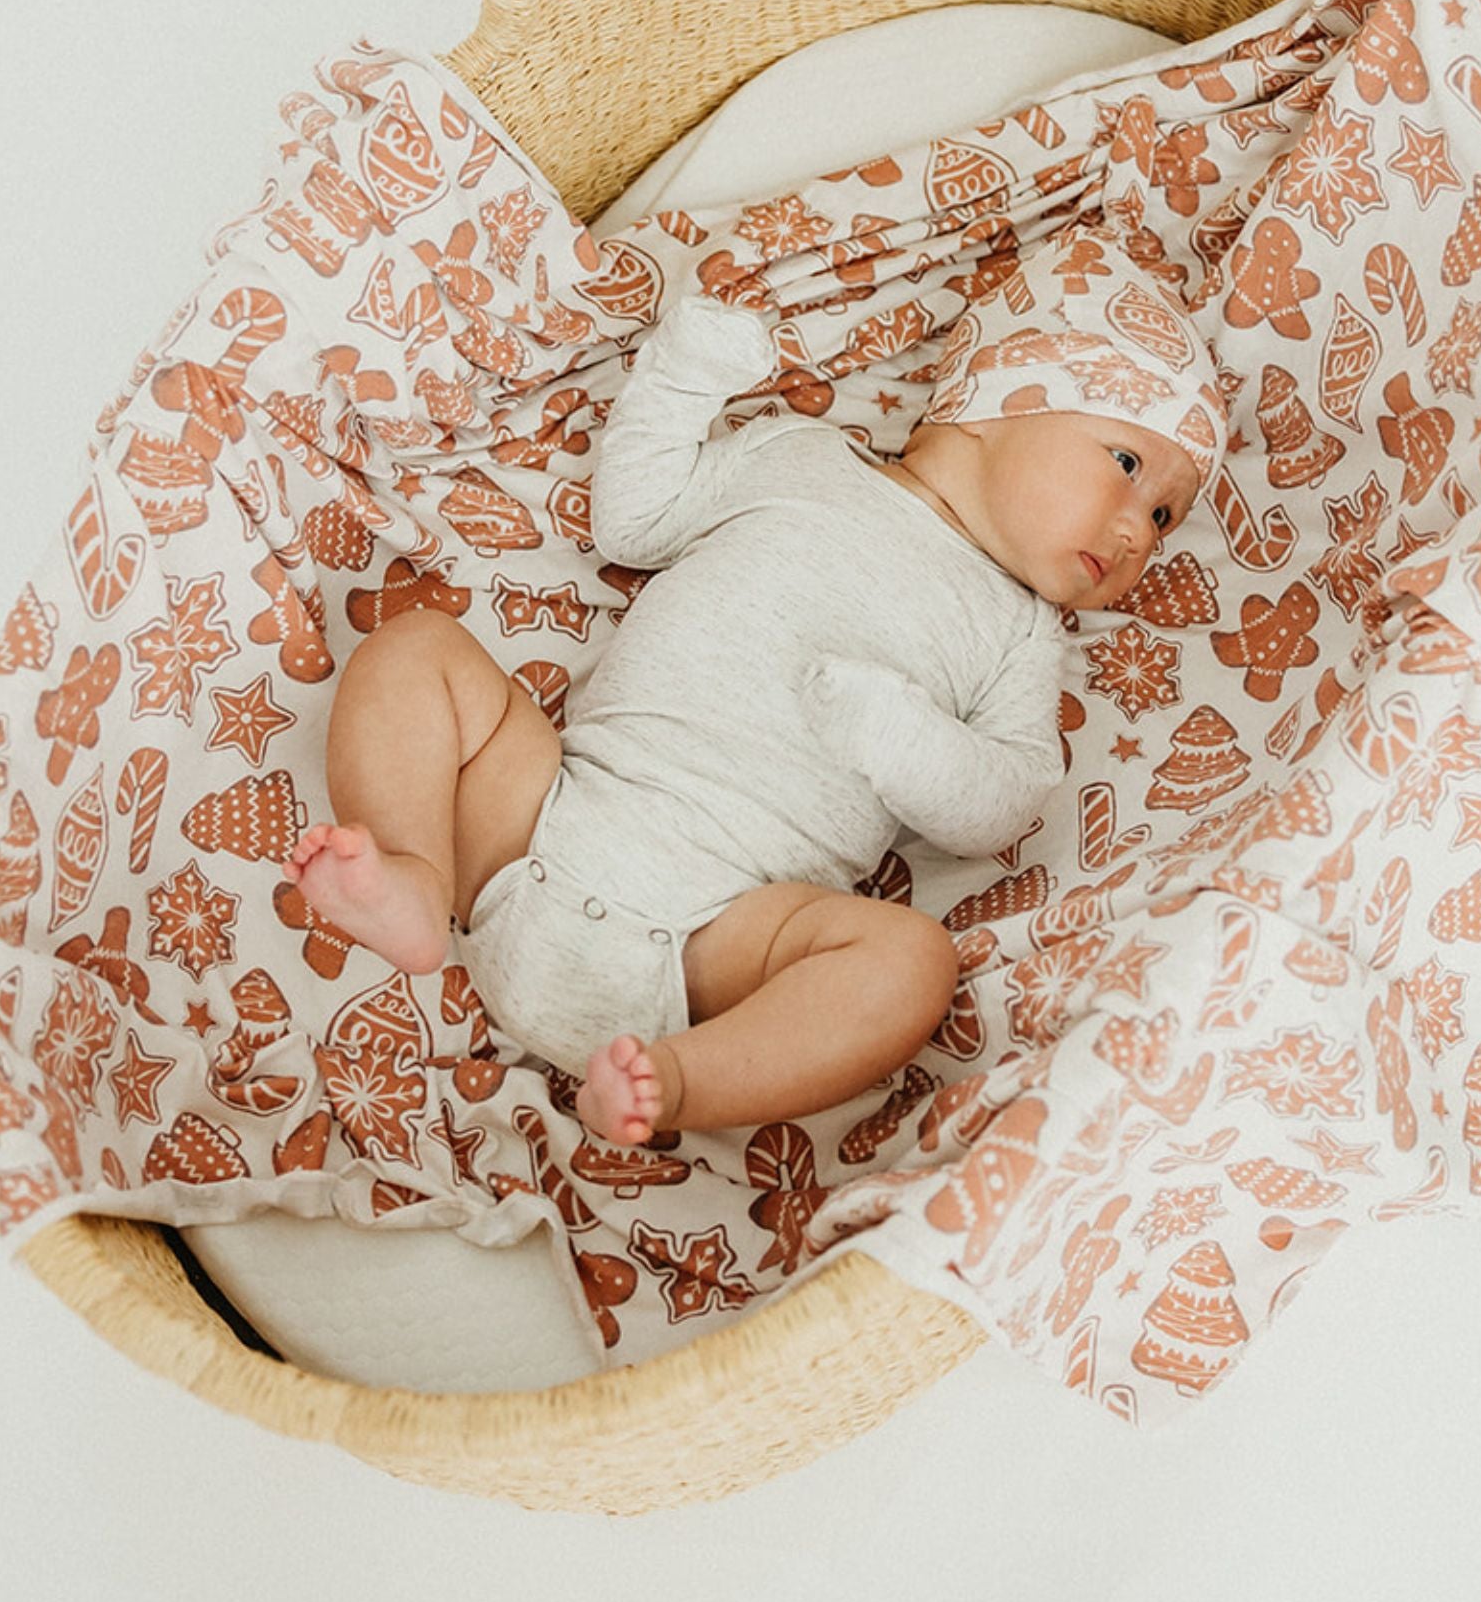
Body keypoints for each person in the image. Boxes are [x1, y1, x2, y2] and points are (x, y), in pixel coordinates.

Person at [282, 223, 1228, 1146]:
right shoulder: (798, 456)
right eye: (1129, 464)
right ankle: (410, 871)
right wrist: (683, 375)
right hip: (546, 819)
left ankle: (682, 1082)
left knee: (911, 963)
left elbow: (1002, 805)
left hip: (721, 940)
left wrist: (899, 735)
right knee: (416, 648)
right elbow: (636, 524)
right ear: (1002, 398)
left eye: (1164, 516)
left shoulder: (1021, 633)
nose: (1139, 529)